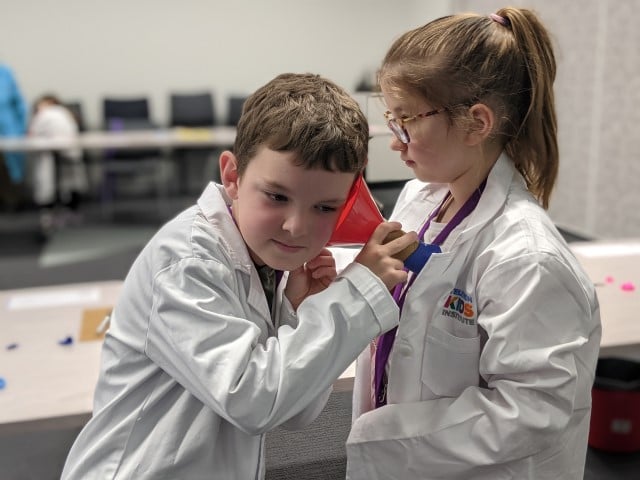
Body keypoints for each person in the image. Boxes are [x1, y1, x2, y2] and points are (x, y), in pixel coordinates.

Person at [60, 73, 417, 479]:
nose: (296, 227)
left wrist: (298, 313)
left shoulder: (267, 260)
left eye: (325, 207)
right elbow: (252, 400)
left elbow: (296, 412)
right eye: (277, 197)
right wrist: (355, 293)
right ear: (232, 176)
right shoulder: (187, 262)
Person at [345, 8, 601, 480]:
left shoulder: (527, 259)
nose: (396, 142)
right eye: (390, 119)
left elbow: (530, 411)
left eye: (406, 121)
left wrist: (387, 437)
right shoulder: (420, 198)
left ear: (476, 123)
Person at [29, 94, 88, 232]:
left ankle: (50, 215)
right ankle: (66, 213)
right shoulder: (66, 114)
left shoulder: (46, 114)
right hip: (64, 155)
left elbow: (32, 135)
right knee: (65, 183)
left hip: (56, 157)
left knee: (50, 184)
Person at [0, 63, 28, 208]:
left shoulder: (5, 73)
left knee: (12, 167)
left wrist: (21, 128)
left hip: (9, 128)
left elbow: (19, 104)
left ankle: (13, 201)